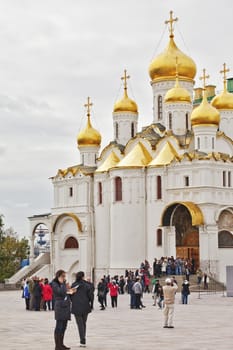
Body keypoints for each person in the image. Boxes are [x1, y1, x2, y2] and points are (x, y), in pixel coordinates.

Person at [52, 270, 74, 350]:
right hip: (60, 307)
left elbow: (65, 293)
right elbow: (60, 292)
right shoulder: (54, 284)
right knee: (59, 326)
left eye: (65, 276)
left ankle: (61, 344)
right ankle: (57, 346)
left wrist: (70, 290)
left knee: (64, 327)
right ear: (58, 276)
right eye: (63, 276)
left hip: (66, 307)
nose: (64, 278)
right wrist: (63, 284)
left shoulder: (62, 284)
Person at [71, 271, 93, 348]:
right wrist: (88, 302)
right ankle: (83, 340)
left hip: (76, 306)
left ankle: (82, 340)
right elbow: (91, 296)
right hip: (85, 306)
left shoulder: (73, 285)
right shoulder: (87, 285)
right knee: (83, 323)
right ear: (83, 277)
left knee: (80, 324)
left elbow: (70, 295)